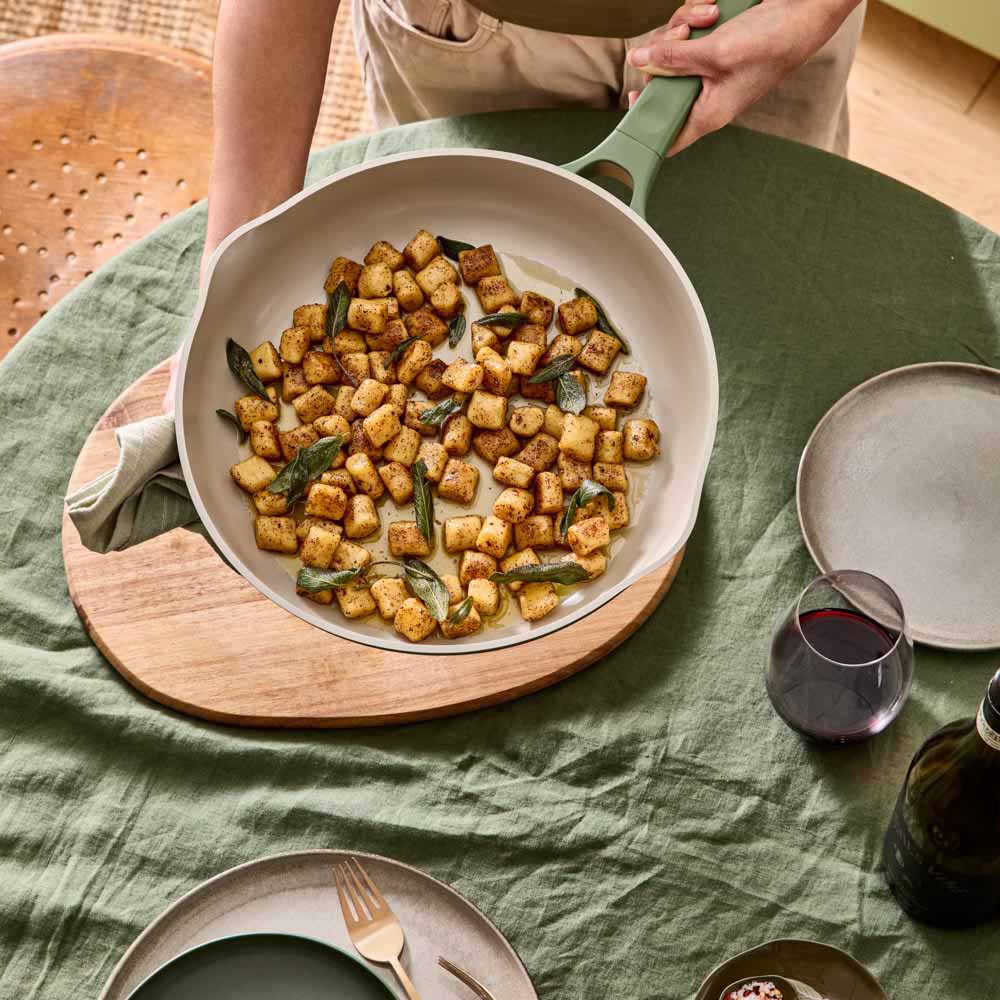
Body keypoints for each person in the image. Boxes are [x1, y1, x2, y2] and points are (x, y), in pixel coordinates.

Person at [165, 0, 865, 408]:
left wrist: (812, 11)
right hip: (466, 35)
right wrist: (229, 277)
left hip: (762, 17)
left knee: (777, 304)